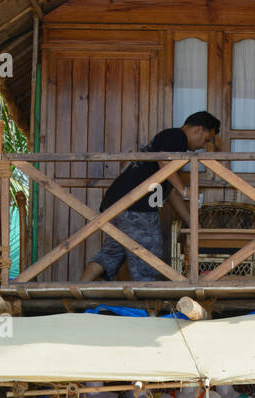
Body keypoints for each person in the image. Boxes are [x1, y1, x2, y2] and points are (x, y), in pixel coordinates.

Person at [82, 111, 221, 283]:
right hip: (136, 206)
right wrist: (185, 190)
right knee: (149, 255)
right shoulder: (176, 136)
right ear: (198, 129)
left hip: (115, 204)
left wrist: (192, 221)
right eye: (206, 140)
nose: (203, 146)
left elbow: (169, 192)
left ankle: (78, 289)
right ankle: (148, 306)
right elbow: (164, 162)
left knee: (111, 253)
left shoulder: (170, 154)